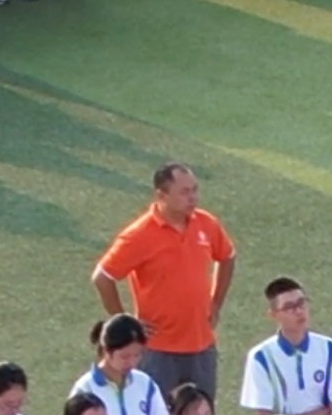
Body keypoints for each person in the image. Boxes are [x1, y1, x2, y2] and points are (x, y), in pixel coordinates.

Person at [94, 162, 239, 401]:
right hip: (158, 351)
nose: (193, 197)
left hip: (202, 346)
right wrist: (127, 323)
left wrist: (216, 304)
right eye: (184, 192)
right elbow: (103, 277)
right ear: (161, 195)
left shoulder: (206, 223)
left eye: (195, 189)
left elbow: (228, 257)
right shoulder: (139, 235)